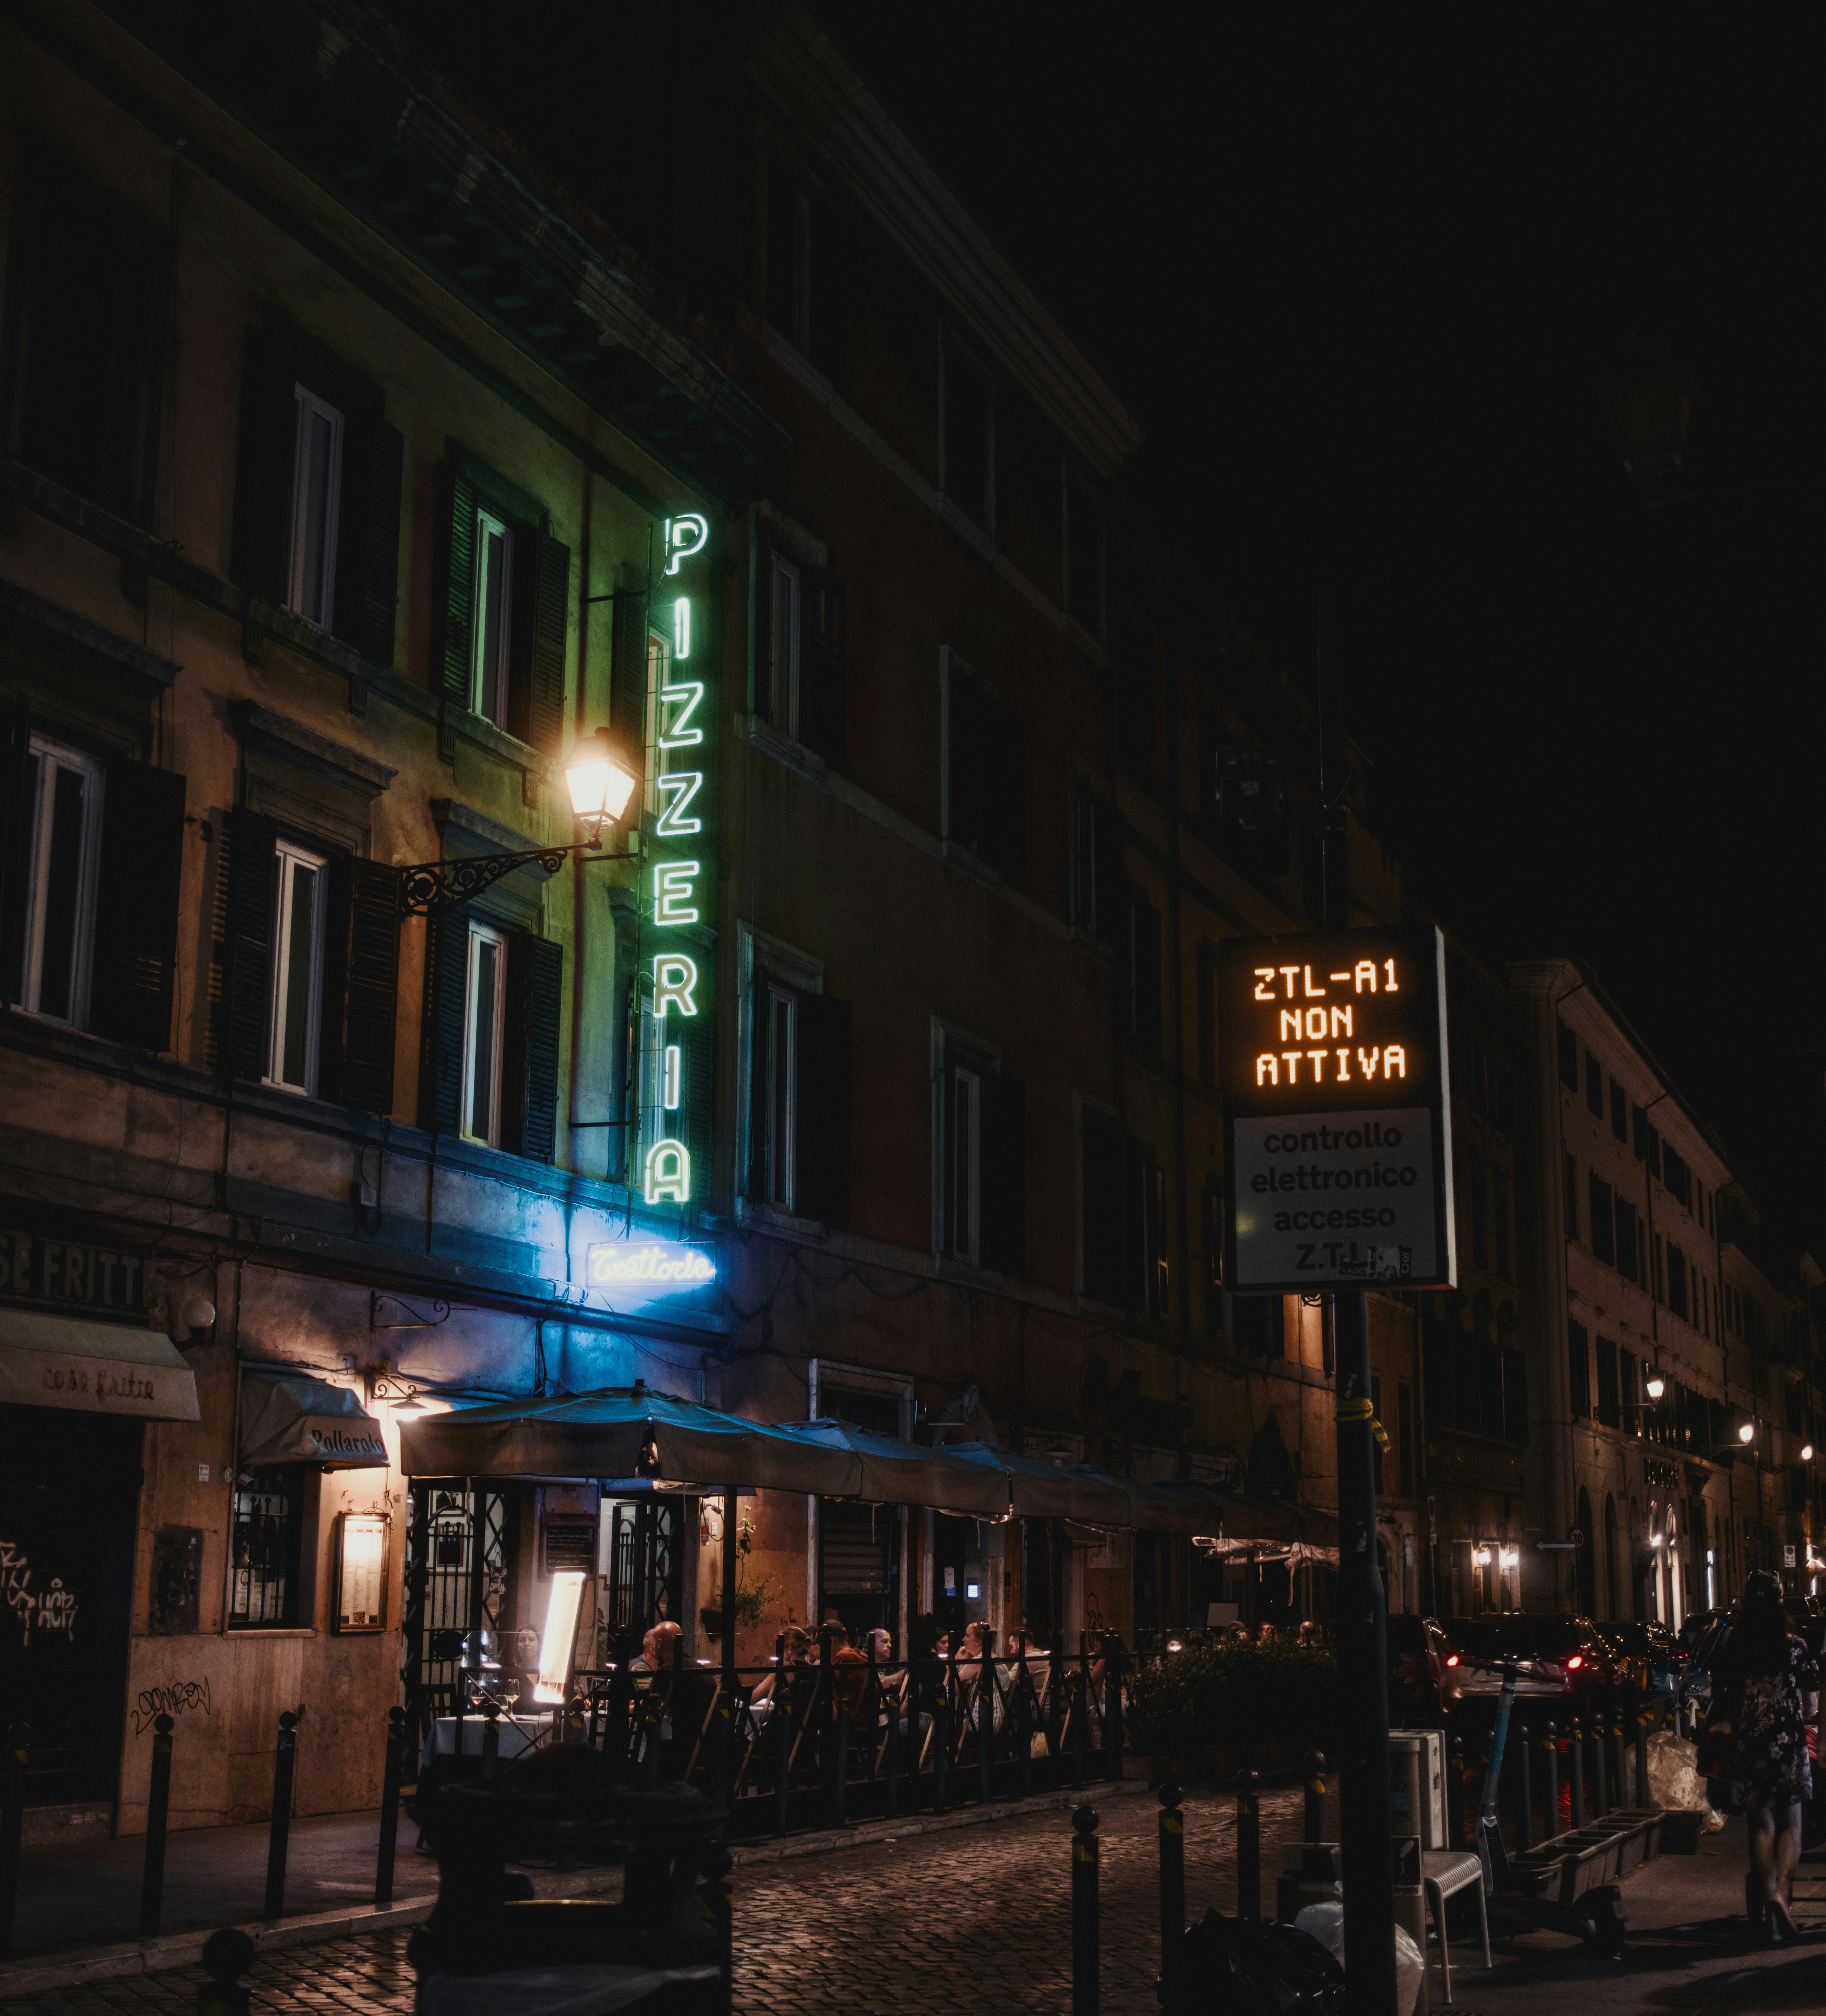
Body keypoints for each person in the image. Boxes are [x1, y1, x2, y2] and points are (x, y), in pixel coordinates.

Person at [1714, 1571, 1820, 1941]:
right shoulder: (1794, 1646)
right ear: (1779, 1603)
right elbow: (1810, 1703)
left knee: (1762, 1827)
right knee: (1792, 1823)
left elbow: (1722, 1688)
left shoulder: (1734, 1643)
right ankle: (1781, 1896)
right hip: (1787, 1742)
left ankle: (1765, 1892)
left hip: (1749, 1742)